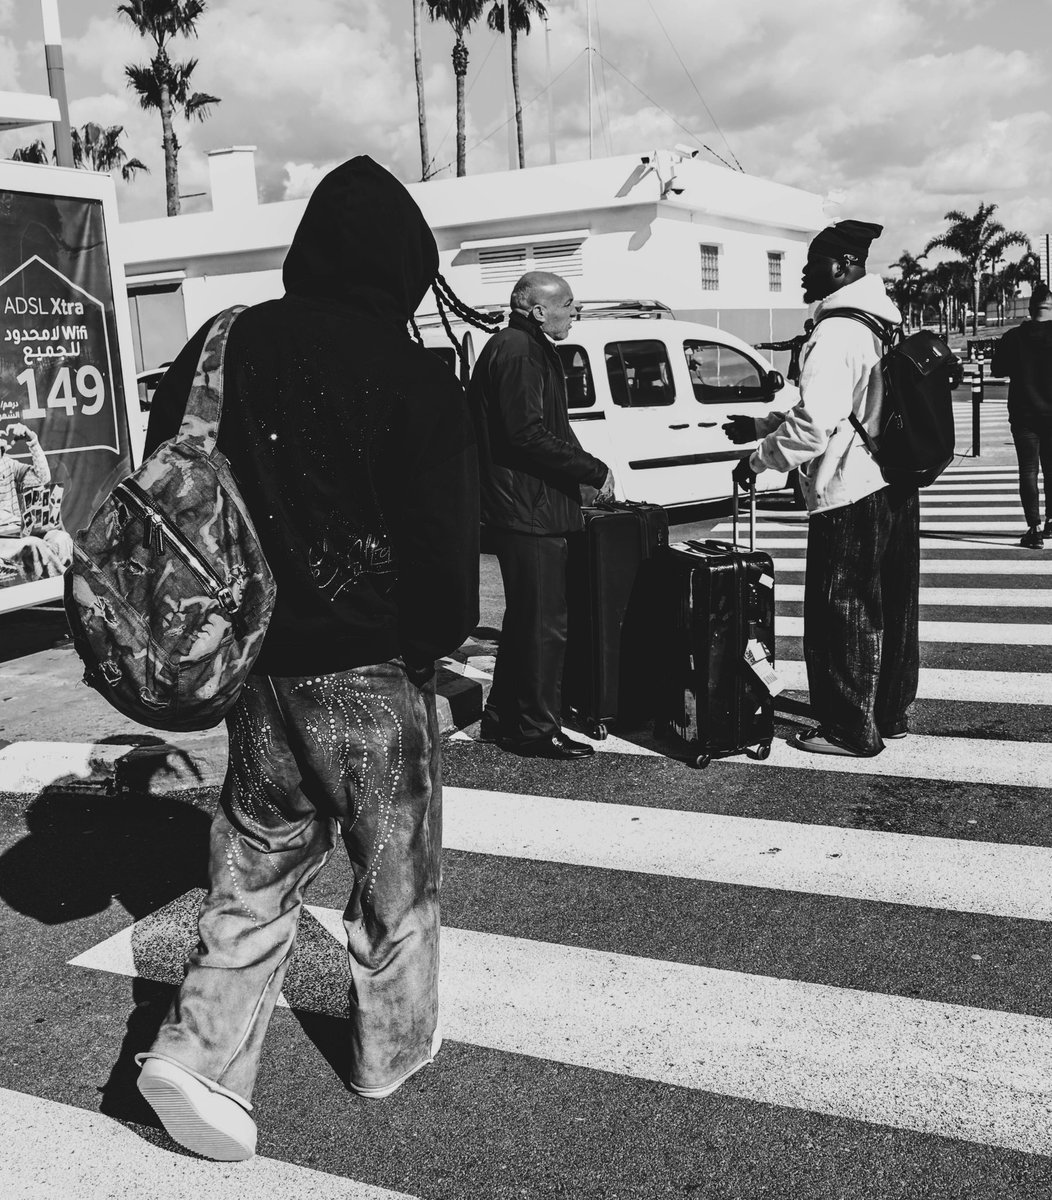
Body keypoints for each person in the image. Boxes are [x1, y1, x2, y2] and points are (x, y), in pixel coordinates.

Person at [133, 157, 482, 1161]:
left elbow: (174, 471)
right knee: (393, 873)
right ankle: (389, 1050)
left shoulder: (224, 343)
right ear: (402, 266)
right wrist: (430, 646)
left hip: (252, 666)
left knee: (256, 861)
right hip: (371, 672)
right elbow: (443, 554)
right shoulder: (411, 373)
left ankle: (201, 1053)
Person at [726, 219, 917, 757]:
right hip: (891, 480)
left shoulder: (837, 332)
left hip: (849, 487)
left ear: (839, 267)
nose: (804, 277)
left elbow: (816, 425)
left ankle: (849, 729)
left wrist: (759, 459)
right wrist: (765, 425)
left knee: (844, 608)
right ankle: (890, 712)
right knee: (894, 604)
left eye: (810, 266)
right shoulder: (879, 323)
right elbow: (850, 404)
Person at [469, 270, 615, 760]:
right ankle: (535, 729)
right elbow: (524, 433)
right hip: (526, 510)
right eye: (569, 304)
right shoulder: (518, 350)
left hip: (534, 506)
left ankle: (501, 720)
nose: (575, 311)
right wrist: (593, 468)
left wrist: (586, 476)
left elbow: (551, 427)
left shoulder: (526, 347)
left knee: (527, 622)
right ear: (537, 310)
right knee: (544, 624)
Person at [992, 282, 1052, 549]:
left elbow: (997, 369)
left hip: (1024, 413)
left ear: (1029, 308)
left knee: (1028, 470)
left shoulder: (1013, 337)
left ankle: (1034, 529)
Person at [0, 423, 71, 581]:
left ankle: (62, 591)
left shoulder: (8, 465)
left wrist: (32, 441)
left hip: (19, 534)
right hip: (5, 544)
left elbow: (42, 478)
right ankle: (66, 584)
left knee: (61, 538)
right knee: (33, 545)